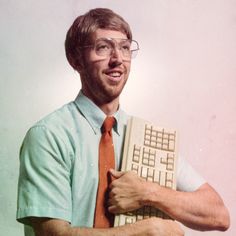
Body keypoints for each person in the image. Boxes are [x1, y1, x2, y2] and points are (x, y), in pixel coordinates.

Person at [16, 8, 230, 236]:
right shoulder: (49, 135)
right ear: (76, 59)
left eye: (125, 48)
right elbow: (52, 234)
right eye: (104, 47)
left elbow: (218, 215)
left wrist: (149, 192)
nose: (117, 59)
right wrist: (146, 230)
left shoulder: (147, 137)